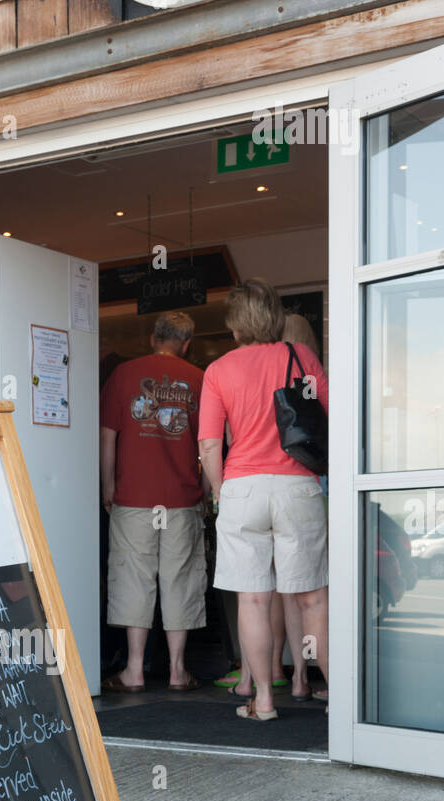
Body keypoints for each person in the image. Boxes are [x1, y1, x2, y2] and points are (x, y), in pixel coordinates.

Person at [198, 279, 329, 722]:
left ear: (236, 325)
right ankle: (343, 705)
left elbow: (210, 445)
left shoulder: (219, 371)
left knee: (253, 600)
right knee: (312, 599)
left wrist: (220, 493)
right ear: (274, 318)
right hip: (297, 486)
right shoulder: (301, 357)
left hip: (243, 489)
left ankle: (263, 702)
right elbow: (330, 416)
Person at [99, 309, 206, 692]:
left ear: (152, 339)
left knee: (134, 578)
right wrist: (206, 491)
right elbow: (207, 445)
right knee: (180, 579)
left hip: (134, 498)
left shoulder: (123, 375)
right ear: (187, 344)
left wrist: (107, 486)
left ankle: (134, 670)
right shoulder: (199, 379)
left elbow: (108, 436)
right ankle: (178, 671)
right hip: (180, 499)